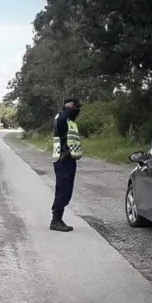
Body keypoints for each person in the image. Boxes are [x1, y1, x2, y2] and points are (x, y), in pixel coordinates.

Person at [50, 97, 83, 232]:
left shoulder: (70, 121)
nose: (77, 110)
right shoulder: (62, 117)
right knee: (62, 190)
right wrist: (68, 109)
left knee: (67, 190)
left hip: (70, 158)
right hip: (62, 158)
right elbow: (62, 122)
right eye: (75, 107)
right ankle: (55, 220)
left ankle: (58, 219)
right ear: (70, 107)